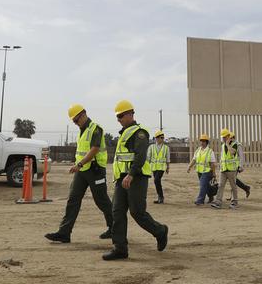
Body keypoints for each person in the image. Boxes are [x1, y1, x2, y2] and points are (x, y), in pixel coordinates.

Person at [104, 100, 169, 261]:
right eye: (117, 116)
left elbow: (140, 156)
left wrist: (131, 174)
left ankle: (160, 231)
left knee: (137, 212)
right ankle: (120, 248)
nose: (118, 119)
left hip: (136, 178)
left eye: (120, 116)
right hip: (122, 179)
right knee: (117, 211)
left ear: (130, 114)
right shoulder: (124, 133)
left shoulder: (140, 133)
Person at [45, 104, 113, 243]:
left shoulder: (95, 128)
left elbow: (94, 149)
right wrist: (78, 164)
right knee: (73, 200)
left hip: (95, 170)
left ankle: (116, 228)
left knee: (102, 201)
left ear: (83, 114)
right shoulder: (82, 130)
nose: (76, 123)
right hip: (82, 171)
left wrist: (79, 164)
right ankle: (64, 233)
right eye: (74, 121)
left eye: (76, 120)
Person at [212, 129, 242, 209]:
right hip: (223, 169)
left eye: (225, 137)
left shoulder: (235, 144)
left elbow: (232, 153)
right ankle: (218, 202)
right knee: (220, 185)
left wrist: (228, 144)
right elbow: (223, 157)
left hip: (232, 170)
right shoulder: (222, 145)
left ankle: (234, 202)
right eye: (223, 137)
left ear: (229, 136)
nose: (223, 139)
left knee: (233, 186)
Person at [187, 133, 217, 205]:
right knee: (206, 185)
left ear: (207, 142)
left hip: (207, 172)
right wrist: (189, 167)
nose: (202, 142)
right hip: (199, 171)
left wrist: (214, 173)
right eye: (201, 141)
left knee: (202, 185)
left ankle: (200, 200)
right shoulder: (198, 150)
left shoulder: (210, 151)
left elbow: (212, 163)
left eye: (203, 141)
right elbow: (194, 160)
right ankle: (211, 196)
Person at [148, 130, 170, 204]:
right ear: (156, 138)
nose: (162, 139)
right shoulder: (151, 147)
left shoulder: (166, 148)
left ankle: (161, 197)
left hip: (161, 167)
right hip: (154, 167)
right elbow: (148, 157)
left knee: (156, 180)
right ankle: (159, 197)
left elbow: (167, 158)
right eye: (161, 137)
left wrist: (168, 167)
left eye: (163, 137)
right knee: (157, 182)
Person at [229, 133, 251, 199]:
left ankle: (233, 197)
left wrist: (241, 166)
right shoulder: (230, 145)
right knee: (232, 179)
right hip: (231, 166)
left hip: (236, 166)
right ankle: (246, 187)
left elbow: (241, 156)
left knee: (232, 180)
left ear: (232, 138)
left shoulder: (238, 145)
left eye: (229, 138)